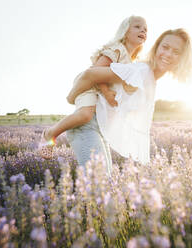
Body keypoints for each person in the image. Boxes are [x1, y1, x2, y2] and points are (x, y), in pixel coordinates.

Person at [66, 28, 192, 168]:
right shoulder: (141, 71)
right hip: (86, 126)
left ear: (182, 58)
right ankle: (48, 135)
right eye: (165, 47)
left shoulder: (151, 79)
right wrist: (71, 98)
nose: (168, 54)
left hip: (99, 129)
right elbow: (89, 75)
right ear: (156, 48)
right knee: (98, 184)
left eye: (176, 52)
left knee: (104, 185)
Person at [39, 16, 147, 159]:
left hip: (98, 91)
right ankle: (50, 133)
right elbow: (97, 70)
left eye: (145, 29)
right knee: (85, 114)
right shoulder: (118, 49)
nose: (143, 30)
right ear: (125, 31)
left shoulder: (131, 60)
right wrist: (107, 92)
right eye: (137, 27)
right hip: (89, 86)